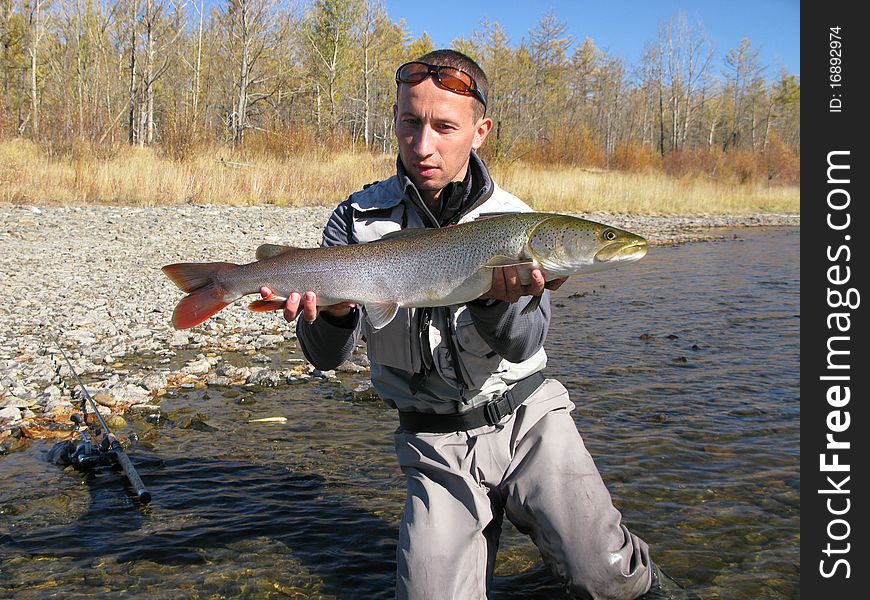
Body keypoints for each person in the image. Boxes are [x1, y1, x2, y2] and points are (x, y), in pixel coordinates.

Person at [260, 50, 695, 600]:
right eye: (410, 123)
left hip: (529, 421)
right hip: (433, 441)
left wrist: (496, 302)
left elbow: (525, 344)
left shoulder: (518, 221)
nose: (423, 146)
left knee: (606, 578)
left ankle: (633, 577)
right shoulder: (355, 221)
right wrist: (337, 311)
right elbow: (324, 358)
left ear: (480, 130)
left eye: (444, 127)